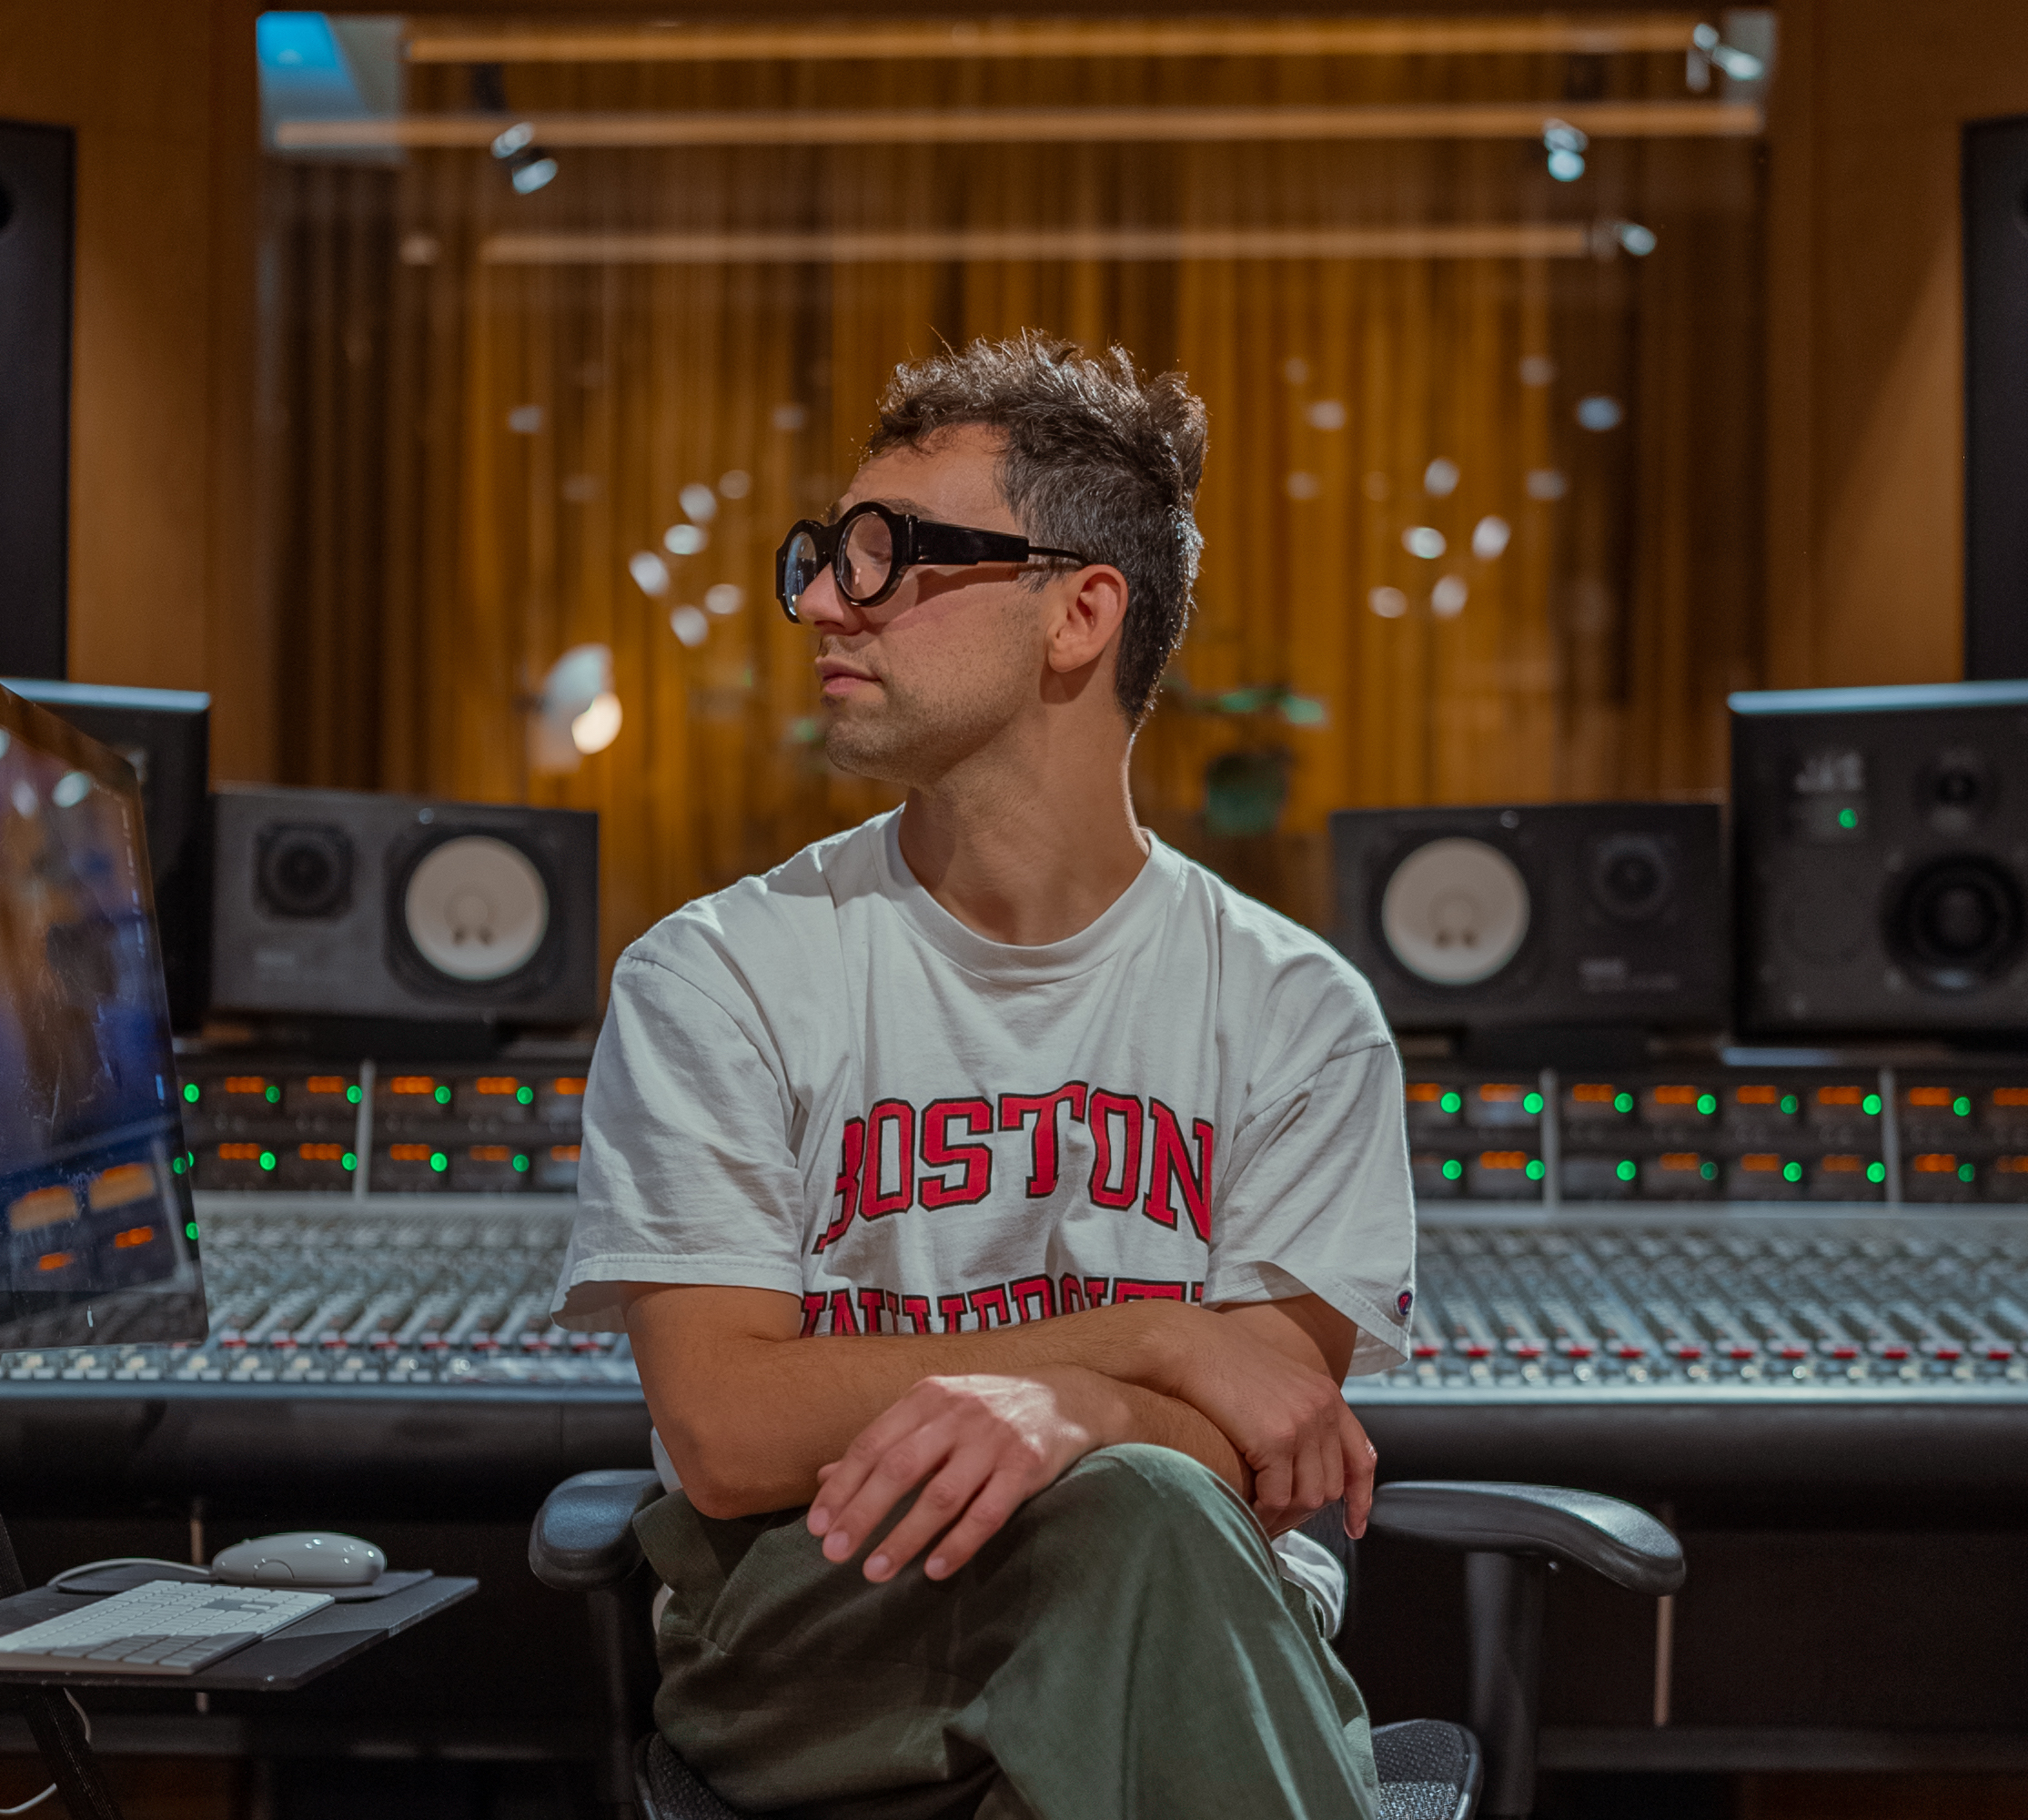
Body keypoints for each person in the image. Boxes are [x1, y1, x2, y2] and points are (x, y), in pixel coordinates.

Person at [550, 330, 1416, 1820]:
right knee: (1145, 1525)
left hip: (1175, 1628)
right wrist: (1144, 1341)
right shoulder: (718, 975)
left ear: (1078, 613)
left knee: (1137, 1536)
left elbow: (1267, 1453)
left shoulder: (1294, 1014)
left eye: (890, 556)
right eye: (824, 555)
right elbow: (725, 1432)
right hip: (826, 1636)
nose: (824, 599)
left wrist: (1082, 1418)